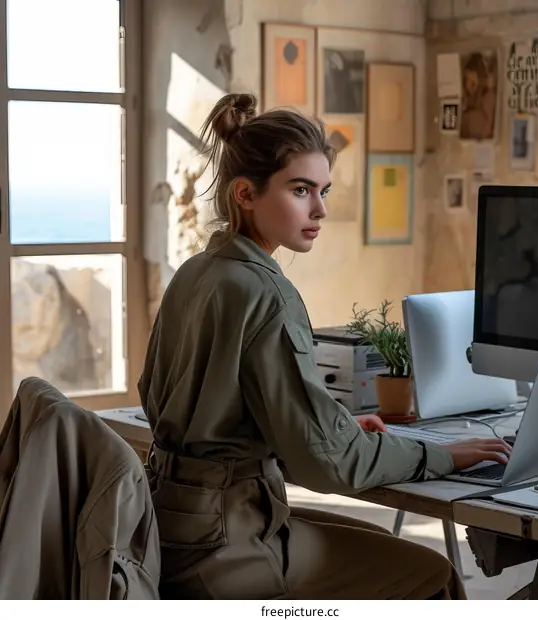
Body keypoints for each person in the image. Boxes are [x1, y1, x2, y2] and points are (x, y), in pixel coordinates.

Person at [138, 93, 511, 600]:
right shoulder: (265, 292)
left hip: (167, 525)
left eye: (323, 190)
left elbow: (172, 401)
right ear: (245, 194)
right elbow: (329, 464)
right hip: (226, 544)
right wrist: (444, 455)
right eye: (300, 190)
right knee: (433, 573)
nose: (320, 209)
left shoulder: (195, 272)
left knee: (377, 541)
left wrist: (319, 425)